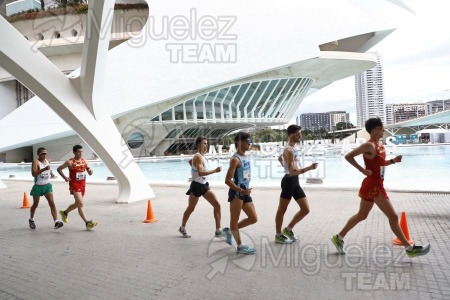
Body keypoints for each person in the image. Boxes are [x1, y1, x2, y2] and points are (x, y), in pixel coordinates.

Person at [331, 117, 430, 257]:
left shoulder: (379, 146)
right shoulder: (369, 145)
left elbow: (380, 164)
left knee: (362, 215)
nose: (383, 130)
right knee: (393, 217)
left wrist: (393, 161)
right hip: (373, 186)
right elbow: (348, 156)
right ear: (374, 130)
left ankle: (338, 237)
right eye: (381, 128)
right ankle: (409, 248)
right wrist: (362, 170)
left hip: (375, 184)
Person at [275, 125, 318, 244]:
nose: (300, 135)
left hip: (295, 181)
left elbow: (279, 158)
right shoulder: (289, 150)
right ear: (292, 134)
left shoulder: (292, 149)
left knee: (305, 209)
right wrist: (310, 168)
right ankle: (278, 235)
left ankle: (288, 229)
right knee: (282, 209)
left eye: (300, 133)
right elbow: (292, 171)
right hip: (289, 182)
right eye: (298, 133)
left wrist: (284, 164)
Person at [179, 136, 224, 238]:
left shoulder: (201, 156)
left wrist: (193, 168)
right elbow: (200, 173)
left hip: (204, 186)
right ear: (198, 145)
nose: (206, 145)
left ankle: (218, 230)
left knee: (217, 205)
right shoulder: (198, 157)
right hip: (196, 186)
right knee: (191, 209)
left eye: (207, 143)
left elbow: (191, 162)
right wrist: (215, 171)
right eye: (204, 143)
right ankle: (182, 228)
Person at [223, 132, 258, 254]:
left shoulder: (245, 156)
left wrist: (245, 190)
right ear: (240, 142)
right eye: (248, 141)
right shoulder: (235, 159)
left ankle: (229, 230)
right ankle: (240, 246)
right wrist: (241, 190)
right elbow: (227, 180)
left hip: (245, 192)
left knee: (253, 218)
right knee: (234, 219)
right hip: (237, 193)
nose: (250, 144)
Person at [57, 145, 97, 230]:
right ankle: (66, 213)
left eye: (81, 152)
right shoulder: (70, 162)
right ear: (74, 152)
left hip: (82, 185)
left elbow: (90, 173)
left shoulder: (84, 161)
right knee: (79, 202)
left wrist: (90, 170)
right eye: (79, 152)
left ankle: (86, 223)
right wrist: (65, 177)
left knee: (80, 204)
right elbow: (59, 169)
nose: (80, 153)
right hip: (74, 184)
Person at [28, 147, 64, 230]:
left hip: (47, 186)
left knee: (52, 203)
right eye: (42, 153)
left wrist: (51, 173)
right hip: (38, 187)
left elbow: (48, 169)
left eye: (45, 153)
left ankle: (56, 222)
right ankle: (31, 219)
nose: (44, 155)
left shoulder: (48, 161)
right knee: (35, 204)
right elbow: (33, 174)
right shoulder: (35, 162)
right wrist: (44, 169)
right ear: (38, 154)